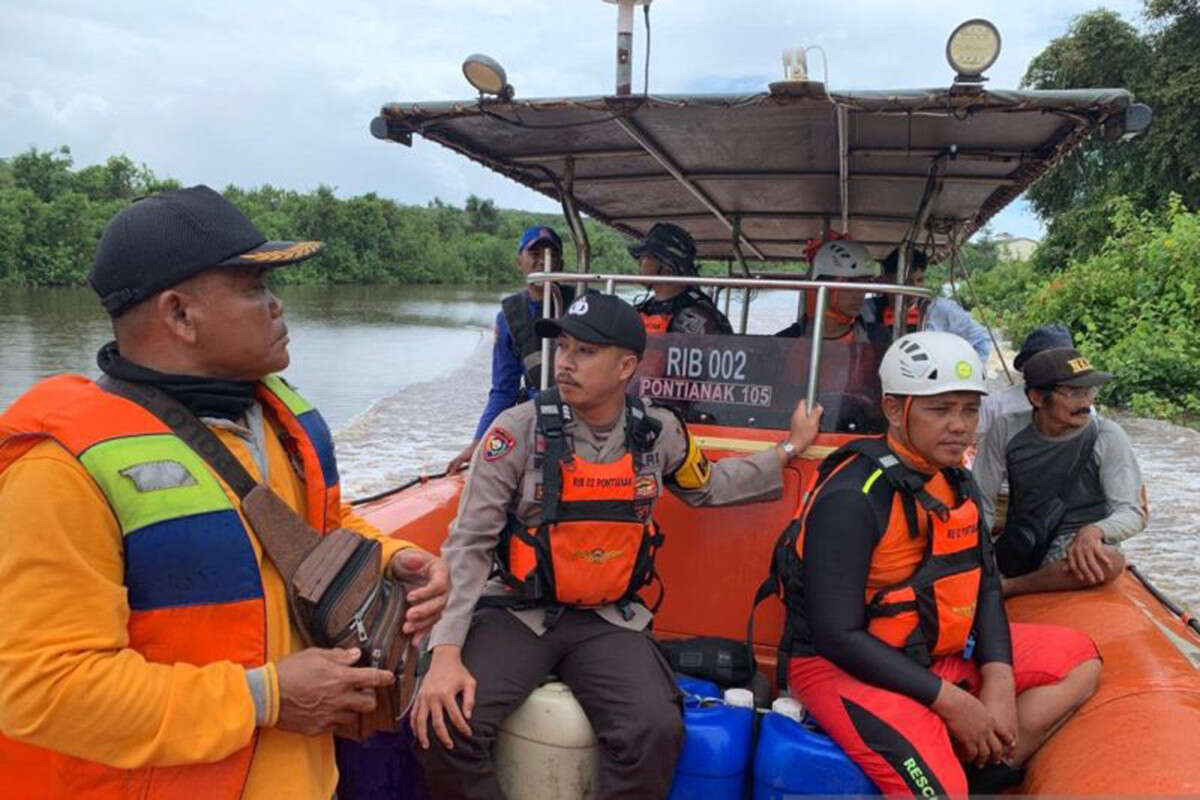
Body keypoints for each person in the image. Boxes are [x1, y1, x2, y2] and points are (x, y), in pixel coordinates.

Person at [0, 185, 450, 800]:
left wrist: (392, 555)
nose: (276, 305)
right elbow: (41, 689)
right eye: (253, 287)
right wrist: (262, 697)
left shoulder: (273, 421)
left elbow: (318, 521)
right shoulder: (62, 473)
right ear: (180, 315)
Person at [412, 292, 823, 799]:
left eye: (585, 352)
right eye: (563, 347)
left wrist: (789, 449)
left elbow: (709, 485)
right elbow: (468, 544)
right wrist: (445, 651)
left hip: (609, 619)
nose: (565, 362)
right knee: (446, 725)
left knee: (654, 730)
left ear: (626, 365)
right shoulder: (515, 432)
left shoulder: (659, 434)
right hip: (518, 613)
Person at [773, 331, 1101, 796]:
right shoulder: (852, 497)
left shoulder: (956, 481)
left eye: (969, 409)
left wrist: (999, 682)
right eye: (940, 409)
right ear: (893, 409)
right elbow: (836, 636)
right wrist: (951, 703)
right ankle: (948, 764)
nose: (960, 426)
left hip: (931, 651)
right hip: (841, 669)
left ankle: (984, 761)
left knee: (1080, 660)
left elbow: (985, 585)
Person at [974, 347, 1148, 596]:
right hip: (1024, 539)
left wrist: (1096, 531)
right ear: (1036, 397)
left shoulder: (1107, 436)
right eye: (1075, 393)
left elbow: (1132, 512)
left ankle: (1010, 588)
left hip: (1077, 548)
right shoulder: (1006, 429)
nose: (1086, 402)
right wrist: (977, 554)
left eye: (1089, 391)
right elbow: (983, 500)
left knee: (1110, 560)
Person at [447, 225, 574, 473]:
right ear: (520, 261)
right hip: (535, 413)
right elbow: (504, 389)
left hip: (581, 413)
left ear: (560, 263)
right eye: (535, 254)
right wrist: (477, 443)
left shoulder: (583, 302)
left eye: (551, 254)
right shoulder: (509, 317)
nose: (542, 261)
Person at [867, 248, 991, 365]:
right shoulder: (868, 310)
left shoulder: (942, 310)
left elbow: (980, 340)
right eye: (906, 281)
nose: (914, 288)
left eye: (919, 280)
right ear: (886, 280)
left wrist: (967, 375)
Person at [775, 239, 888, 344]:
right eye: (850, 282)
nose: (859, 293)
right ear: (823, 286)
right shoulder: (784, 343)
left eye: (865, 283)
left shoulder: (879, 338)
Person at [977, 323, 1074, 442]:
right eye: (1045, 363)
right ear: (1024, 366)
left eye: (1060, 363)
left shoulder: (1081, 404)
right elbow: (971, 446)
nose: (1053, 370)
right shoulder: (995, 406)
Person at [631, 222, 733, 335]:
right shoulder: (643, 309)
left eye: (646, 256)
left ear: (667, 265)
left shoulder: (695, 317)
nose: (639, 262)